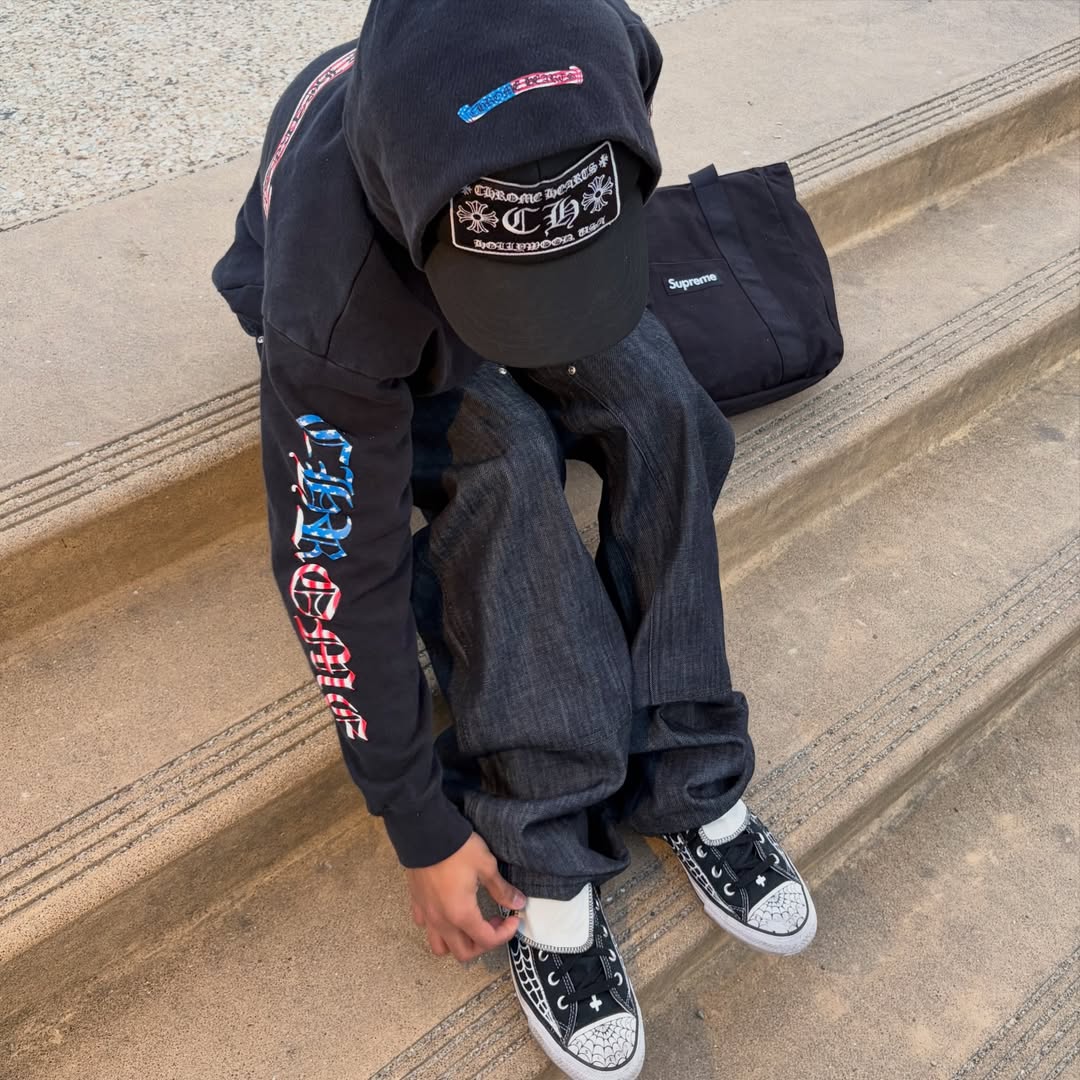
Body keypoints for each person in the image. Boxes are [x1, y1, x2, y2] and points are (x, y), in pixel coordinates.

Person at [212, 2, 816, 1076]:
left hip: (528, 224)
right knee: (506, 473)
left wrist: (564, 276)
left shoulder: (609, 45)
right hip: (396, 279)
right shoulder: (332, 299)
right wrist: (419, 822)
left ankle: (687, 763)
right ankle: (545, 848)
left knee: (671, 412)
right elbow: (335, 569)